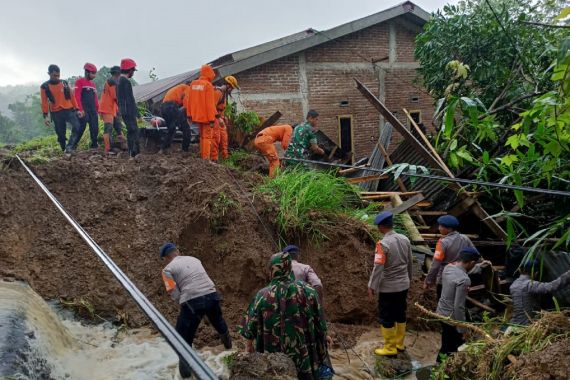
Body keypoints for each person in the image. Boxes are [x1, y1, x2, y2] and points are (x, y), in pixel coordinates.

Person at [239, 252, 333, 380]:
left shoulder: (261, 296)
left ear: (271, 271)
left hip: (273, 364)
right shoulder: (309, 291)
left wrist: (249, 348)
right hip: (304, 360)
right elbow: (320, 324)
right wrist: (324, 337)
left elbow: (249, 331)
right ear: (289, 268)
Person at [160, 243, 232, 378]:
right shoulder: (194, 259)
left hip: (192, 300)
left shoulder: (167, 270)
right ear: (178, 251)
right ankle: (229, 348)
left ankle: (185, 375)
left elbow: (171, 290)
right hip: (212, 295)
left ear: (166, 258)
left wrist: (183, 304)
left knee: (182, 337)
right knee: (217, 320)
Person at [367, 211, 413, 356]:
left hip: (388, 287)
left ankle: (389, 348)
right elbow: (410, 262)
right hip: (403, 284)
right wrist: (408, 279)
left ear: (381, 227)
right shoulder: (405, 239)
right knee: (400, 313)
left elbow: (378, 267)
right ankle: (399, 344)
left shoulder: (383, 244)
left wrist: (372, 285)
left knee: (386, 315)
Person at [435, 247, 481, 361]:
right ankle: (441, 370)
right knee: (453, 348)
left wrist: (480, 266)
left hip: (441, 312)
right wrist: (462, 329)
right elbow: (458, 306)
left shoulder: (448, 268)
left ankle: (438, 367)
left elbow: (461, 270)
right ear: (472, 262)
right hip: (452, 318)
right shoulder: (464, 280)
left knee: (446, 341)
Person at [424, 215, 475, 299]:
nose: (439, 228)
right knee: (458, 300)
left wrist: (429, 280)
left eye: (441, 226)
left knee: (443, 302)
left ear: (449, 229)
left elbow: (435, 264)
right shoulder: (465, 238)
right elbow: (476, 256)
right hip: (461, 276)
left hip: (445, 278)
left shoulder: (443, 243)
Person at [509, 260, 570, 326]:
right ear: (536, 273)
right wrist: (568, 274)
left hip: (515, 323)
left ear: (519, 270)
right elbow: (551, 287)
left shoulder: (513, 285)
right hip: (527, 324)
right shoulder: (530, 284)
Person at [40, 64, 82, 153]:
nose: (57, 77)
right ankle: (63, 148)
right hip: (56, 112)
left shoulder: (64, 83)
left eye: (58, 75)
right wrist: (46, 116)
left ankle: (70, 147)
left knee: (77, 126)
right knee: (60, 134)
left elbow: (72, 96)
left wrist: (77, 109)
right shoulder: (45, 86)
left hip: (69, 109)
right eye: (54, 75)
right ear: (49, 73)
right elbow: (44, 102)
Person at [185, 64, 217, 160]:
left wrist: (189, 115)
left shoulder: (193, 84)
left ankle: (202, 156)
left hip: (197, 116)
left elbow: (189, 101)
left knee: (202, 137)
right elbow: (210, 104)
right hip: (207, 117)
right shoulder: (208, 85)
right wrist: (212, 119)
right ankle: (206, 158)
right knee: (207, 137)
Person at [99, 66, 126, 154]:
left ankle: (123, 145)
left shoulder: (113, 82)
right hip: (107, 108)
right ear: (117, 74)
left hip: (113, 108)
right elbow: (116, 97)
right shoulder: (112, 82)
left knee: (118, 126)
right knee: (108, 127)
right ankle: (108, 149)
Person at [211, 76, 239, 161]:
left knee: (224, 138)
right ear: (228, 85)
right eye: (232, 88)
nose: (231, 90)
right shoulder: (218, 92)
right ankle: (214, 159)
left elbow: (222, 107)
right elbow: (212, 107)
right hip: (214, 118)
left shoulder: (224, 94)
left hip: (220, 117)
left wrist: (224, 117)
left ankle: (225, 157)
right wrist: (219, 118)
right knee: (216, 138)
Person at [117, 58, 140, 158]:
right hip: (128, 110)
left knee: (132, 130)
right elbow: (130, 99)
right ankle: (133, 154)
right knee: (133, 131)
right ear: (129, 70)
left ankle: (133, 153)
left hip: (123, 110)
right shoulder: (125, 82)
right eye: (133, 71)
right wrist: (137, 114)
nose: (133, 73)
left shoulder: (119, 81)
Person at [74, 63, 100, 149]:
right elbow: (76, 96)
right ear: (87, 72)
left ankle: (94, 145)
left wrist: (98, 109)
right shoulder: (79, 82)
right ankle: (73, 145)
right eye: (93, 73)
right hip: (83, 109)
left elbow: (95, 98)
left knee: (95, 127)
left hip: (93, 110)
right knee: (81, 127)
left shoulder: (93, 85)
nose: (94, 75)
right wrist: (80, 109)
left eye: (95, 73)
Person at [160, 83, 191, 153]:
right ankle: (185, 149)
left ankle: (164, 148)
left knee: (171, 129)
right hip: (171, 106)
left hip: (163, 107)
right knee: (186, 129)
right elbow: (186, 104)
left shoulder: (178, 89)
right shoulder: (188, 88)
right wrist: (189, 117)